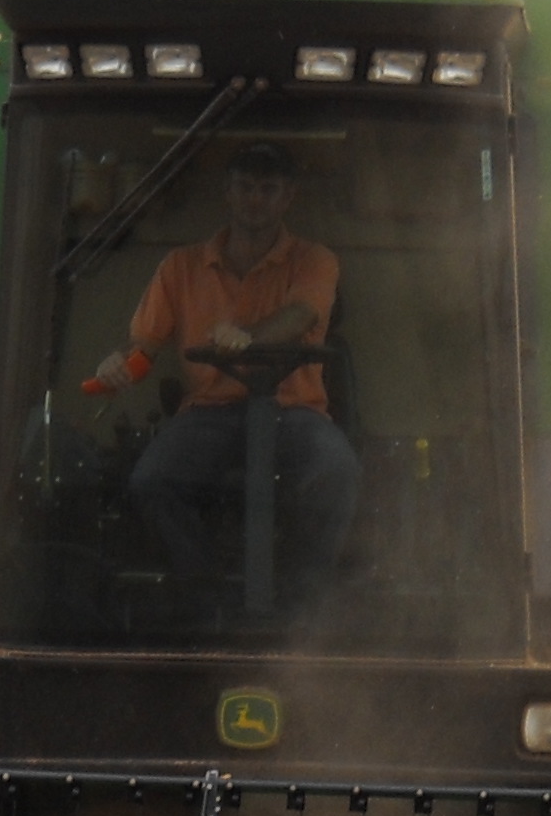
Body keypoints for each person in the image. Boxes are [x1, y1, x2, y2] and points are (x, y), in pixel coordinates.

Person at [79, 142, 360, 605]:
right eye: (245, 188)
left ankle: (303, 597)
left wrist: (248, 338)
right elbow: (144, 348)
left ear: (288, 198)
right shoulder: (181, 267)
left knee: (338, 470)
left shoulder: (314, 260)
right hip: (209, 413)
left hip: (295, 413)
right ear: (227, 193)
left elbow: (302, 315)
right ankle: (205, 592)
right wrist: (119, 368)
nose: (255, 200)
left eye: (268, 190)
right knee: (152, 480)